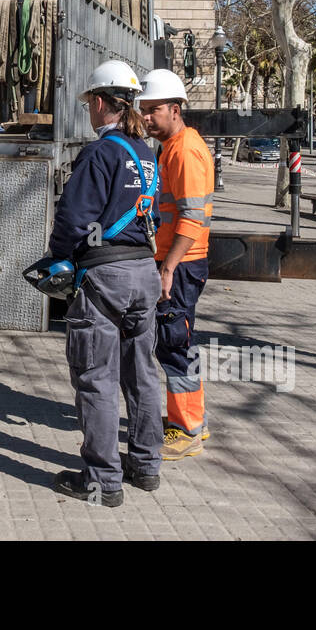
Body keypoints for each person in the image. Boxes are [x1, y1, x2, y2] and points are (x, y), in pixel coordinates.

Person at [50, 60, 164, 507]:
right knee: (142, 376)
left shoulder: (100, 153)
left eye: (89, 104)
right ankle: (145, 466)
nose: (89, 111)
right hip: (143, 273)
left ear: (99, 102)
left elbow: (74, 217)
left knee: (96, 378)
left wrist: (58, 257)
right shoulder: (146, 153)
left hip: (104, 279)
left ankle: (102, 481)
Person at [136, 68, 214, 460]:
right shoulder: (175, 146)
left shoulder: (184, 150)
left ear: (176, 108)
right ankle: (191, 420)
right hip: (178, 261)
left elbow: (192, 216)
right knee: (178, 342)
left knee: (174, 346)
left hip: (181, 265)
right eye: (143, 110)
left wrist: (167, 268)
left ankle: (185, 430)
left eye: (154, 110)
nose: (147, 118)